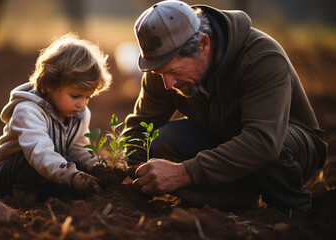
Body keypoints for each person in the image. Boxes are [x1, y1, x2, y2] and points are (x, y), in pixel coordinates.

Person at [123, 0, 327, 216]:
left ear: (203, 45)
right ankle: (236, 198)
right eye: (159, 73)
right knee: (163, 138)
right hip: (225, 138)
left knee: (274, 144)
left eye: (174, 71)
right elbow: (140, 126)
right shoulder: (163, 71)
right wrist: (133, 173)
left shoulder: (261, 57)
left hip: (287, 144)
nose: (167, 84)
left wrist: (184, 173)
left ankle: (290, 208)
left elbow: (263, 142)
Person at [0, 33, 112, 199]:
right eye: (75, 96)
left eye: (87, 96)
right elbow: (39, 153)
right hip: (9, 175)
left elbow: (79, 148)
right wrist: (74, 176)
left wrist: (99, 168)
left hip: (51, 169)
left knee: (75, 162)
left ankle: (51, 192)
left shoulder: (80, 114)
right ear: (49, 84)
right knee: (38, 161)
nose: (82, 104)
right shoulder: (27, 111)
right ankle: (26, 196)